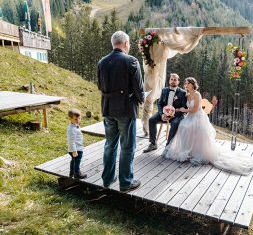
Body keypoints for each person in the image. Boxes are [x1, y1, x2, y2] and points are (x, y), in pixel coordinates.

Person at [163, 77, 253, 175]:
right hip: (190, 116)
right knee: (182, 125)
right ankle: (187, 150)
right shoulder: (187, 94)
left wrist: (183, 110)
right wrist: (175, 109)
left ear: (192, 84)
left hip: (197, 117)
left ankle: (194, 152)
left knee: (188, 127)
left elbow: (194, 110)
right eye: (185, 83)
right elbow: (186, 106)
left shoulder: (197, 94)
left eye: (188, 83)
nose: (186, 85)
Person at [97, 31, 145, 192]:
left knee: (110, 144)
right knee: (127, 146)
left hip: (108, 108)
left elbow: (100, 86)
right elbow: (139, 88)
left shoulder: (102, 62)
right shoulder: (131, 61)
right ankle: (125, 182)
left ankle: (107, 179)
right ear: (125, 43)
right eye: (129, 43)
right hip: (125, 109)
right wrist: (142, 99)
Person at [144, 73, 187, 152]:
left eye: (175, 80)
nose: (173, 81)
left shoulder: (182, 93)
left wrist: (172, 114)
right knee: (151, 120)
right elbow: (159, 103)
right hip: (163, 113)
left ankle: (168, 147)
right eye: (171, 79)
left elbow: (184, 107)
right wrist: (162, 114)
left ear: (178, 82)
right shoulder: (164, 90)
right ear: (169, 80)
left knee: (175, 124)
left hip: (176, 115)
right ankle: (153, 143)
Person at [67, 108, 87, 179]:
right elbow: (71, 141)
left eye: (79, 118)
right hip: (76, 149)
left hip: (75, 148)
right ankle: (77, 173)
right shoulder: (72, 129)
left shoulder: (74, 126)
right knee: (77, 161)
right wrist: (74, 151)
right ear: (70, 119)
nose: (78, 120)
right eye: (75, 119)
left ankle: (72, 172)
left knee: (74, 160)